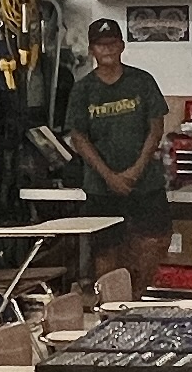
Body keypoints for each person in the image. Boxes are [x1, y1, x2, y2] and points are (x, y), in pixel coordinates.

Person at [65, 17, 171, 289]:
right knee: (105, 249)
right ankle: (110, 309)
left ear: (122, 46)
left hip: (146, 182)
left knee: (154, 239)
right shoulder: (83, 89)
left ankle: (137, 297)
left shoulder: (142, 81)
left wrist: (135, 171)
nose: (107, 50)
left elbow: (156, 128)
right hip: (101, 187)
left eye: (112, 43)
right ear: (92, 50)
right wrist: (109, 176)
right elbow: (79, 137)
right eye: (101, 45)